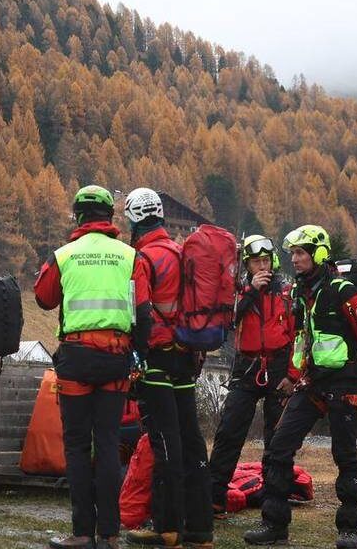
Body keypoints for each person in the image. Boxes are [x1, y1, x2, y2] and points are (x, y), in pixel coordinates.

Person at [35, 184, 153, 549]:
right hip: (116, 360)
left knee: (75, 445)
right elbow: (144, 314)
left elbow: (43, 297)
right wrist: (137, 353)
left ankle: (81, 533)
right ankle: (111, 535)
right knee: (106, 443)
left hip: (76, 358)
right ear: (110, 217)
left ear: (78, 216)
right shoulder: (130, 257)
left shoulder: (64, 255)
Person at [244, 224, 357, 549]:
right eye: (292, 254)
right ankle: (274, 524)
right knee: (279, 446)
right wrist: (292, 375)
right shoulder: (303, 294)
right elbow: (301, 339)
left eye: (301, 253)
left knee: (344, 455)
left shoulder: (343, 290)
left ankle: (348, 529)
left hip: (344, 383)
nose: (295, 259)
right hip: (312, 383)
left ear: (318, 253)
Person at [122, 188, 213, 549]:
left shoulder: (143, 257)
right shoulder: (182, 252)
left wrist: (136, 355)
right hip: (186, 359)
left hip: (157, 358)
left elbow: (140, 312)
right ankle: (201, 529)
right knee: (192, 441)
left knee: (165, 443)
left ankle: (167, 527)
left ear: (132, 219)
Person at [208, 234, 294, 516]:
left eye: (266, 261)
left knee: (277, 437)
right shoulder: (238, 290)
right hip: (246, 366)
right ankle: (214, 497)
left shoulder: (286, 291)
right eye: (256, 262)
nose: (262, 267)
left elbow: (299, 334)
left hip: (279, 367)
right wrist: (250, 292)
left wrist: (292, 375)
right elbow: (228, 319)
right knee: (230, 432)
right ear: (247, 265)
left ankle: (273, 499)